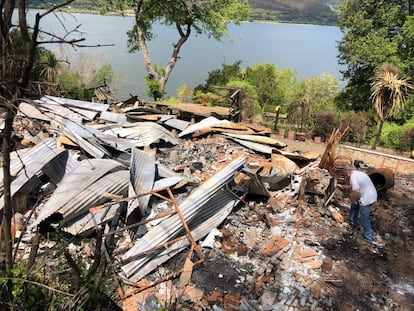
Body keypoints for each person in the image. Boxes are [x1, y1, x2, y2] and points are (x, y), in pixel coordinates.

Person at [337, 165, 378, 245]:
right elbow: (353, 186)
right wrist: (342, 186)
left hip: (366, 198)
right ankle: (353, 222)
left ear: (347, 172)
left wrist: (354, 200)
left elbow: (356, 191)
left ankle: (368, 238)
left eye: (345, 174)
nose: (345, 176)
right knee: (354, 206)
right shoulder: (358, 173)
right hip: (372, 195)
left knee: (365, 218)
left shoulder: (353, 177)